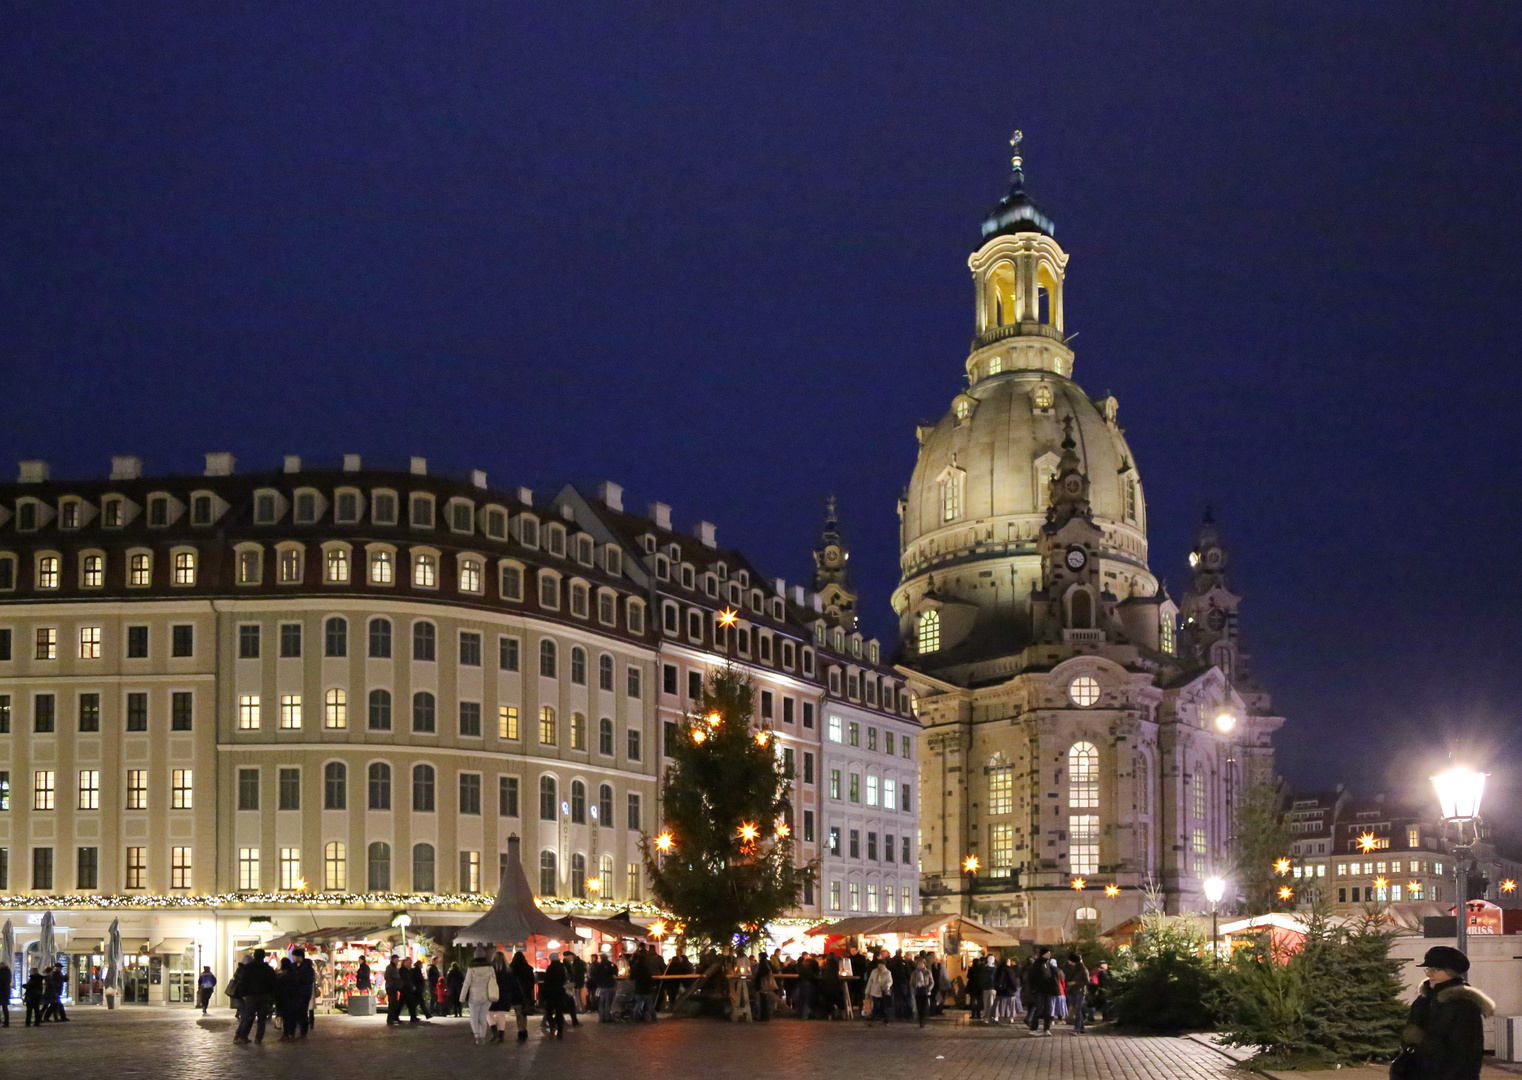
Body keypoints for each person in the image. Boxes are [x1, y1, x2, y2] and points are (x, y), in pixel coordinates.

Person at [1398, 945, 1492, 1080]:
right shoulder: (1423, 999)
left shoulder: (1463, 1004)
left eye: (1435, 970)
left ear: (1451, 972)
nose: (1429, 974)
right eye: (1428, 969)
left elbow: (1467, 1051)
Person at [234, 950, 277, 1044]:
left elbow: (243, 981)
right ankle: (259, 1038)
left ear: (254, 956)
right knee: (262, 1018)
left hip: (251, 995)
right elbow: (273, 983)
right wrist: (271, 996)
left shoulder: (248, 967)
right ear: (263, 957)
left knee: (249, 1017)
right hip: (264, 996)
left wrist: (243, 993)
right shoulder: (268, 968)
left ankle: (243, 1036)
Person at [460, 948, 497, 1044]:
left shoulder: (471, 968)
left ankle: (477, 1035)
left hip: (474, 996)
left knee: (473, 1017)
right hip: (487, 996)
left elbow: (466, 983)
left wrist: (462, 997)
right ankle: (483, 1037)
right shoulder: (490, 968)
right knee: (483, 1017)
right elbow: (494, 982)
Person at [486, 951, 522, 1043]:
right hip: (505, 995)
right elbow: (514, 984)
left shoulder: (490, 970)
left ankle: (494, 1031)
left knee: (488, 1013)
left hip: (492, 994)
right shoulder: (508, 970)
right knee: (501, 1015)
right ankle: (501, 1034)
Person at [1026, 948, 1058, 1035]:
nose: (1049, 955)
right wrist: (1033, 988)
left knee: (1048, 1009)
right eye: (1048, 953)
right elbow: (1031, 977)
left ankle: (1046, 1028)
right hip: (1039, 990)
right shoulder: (1037, 964)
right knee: (1038, 1009)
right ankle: (1034, 1028)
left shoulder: (1047, 964)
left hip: (1047, 990)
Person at [509, 951, 536, 1042]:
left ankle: (520, 1030)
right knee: (524, 1013)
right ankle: (524, 1029)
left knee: (518, 1013)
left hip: (515, 994)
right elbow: (532, 982)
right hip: (526, 993)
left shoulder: (511, 968)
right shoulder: (528, 968)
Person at [542, 955, 570, 1038]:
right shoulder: (562, 968)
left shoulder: (549, 968)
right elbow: (565, 979)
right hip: (560, 992)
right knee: (559, 1012)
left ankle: (552, 1025)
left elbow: (546, 982)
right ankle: (560, 1031)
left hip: (550, 993)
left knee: (549, 1011)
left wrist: (544, 995)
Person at [1062, 952, 1089, 1035]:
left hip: (1080, 991)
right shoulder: (1071, 967)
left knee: (1077, 1009)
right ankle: (1081, 1027)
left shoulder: (1082, 969)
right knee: (1077, 1009)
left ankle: (1077, 1029)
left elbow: (1087, 981)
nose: (1068, 961)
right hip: (1072, 991)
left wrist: (1075, 982)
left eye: (1070, 960)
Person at [294, 948, 317, 1036]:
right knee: (300, 1011)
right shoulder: (295, 966)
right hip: (298, 992)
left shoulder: (307, 968)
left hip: (304, 992)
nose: (293, 958)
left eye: (294, 956)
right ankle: (301, 1027)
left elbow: (307, 980)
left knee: (303, 1011)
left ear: (299, 957)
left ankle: (304, 1029)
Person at [865, 958, 893, 1025]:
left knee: (884, 1006)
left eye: (882, 965)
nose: (880, 966)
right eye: (879, 965)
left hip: (883, 991)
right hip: (875, 991)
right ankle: (874, 1018)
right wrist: (867, 992)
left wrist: (887, 986)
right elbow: (870, 981)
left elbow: (890, 981)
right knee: (876, 1005)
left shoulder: (888, 973)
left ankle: (885, 1019)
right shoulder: (874, 971)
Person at [967, 956, 993, 1022]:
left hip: (972, 985)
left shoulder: (971, 969)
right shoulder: (981, 968)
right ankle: (978, 1014)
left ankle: (973, 1014)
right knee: (979, 1000)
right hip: (979, 986)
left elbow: (968, 976)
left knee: (972, 999)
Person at [562, 950, 584, 1026]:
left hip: (567, 986)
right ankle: (574, 1021)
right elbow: (571, 975)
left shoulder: (566, 964)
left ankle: (573, 1020)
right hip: (568, 986)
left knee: (563, 1004)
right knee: (570, 1003)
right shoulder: (567, 965)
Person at [911, 956, 934, 1027]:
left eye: (922, 963)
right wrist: (913, 990)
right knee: (919, 1006)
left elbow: (932, 982)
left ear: (924, 964)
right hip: (918, 990)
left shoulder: (927, 972)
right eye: (919, 964)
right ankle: (920, 1020)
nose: (920, 965)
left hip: (925, 990)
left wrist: (929, 989)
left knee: (924, 1006)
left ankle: (923, 1019)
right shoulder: (914, 973)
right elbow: (911, 983)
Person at [383, 956, 404, 1025]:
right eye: (396, 959)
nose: (397, 961)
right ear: (392, 960)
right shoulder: (390, 967)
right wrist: (393, 983)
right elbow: (387, 977)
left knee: (394, 1003)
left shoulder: (394, 967)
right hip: (391, 987)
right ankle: (390, 1019)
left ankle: (393, 1018)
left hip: (393, 987)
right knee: (393, 1003)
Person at [0, 956, 12, 1027]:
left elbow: (2, 982)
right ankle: (6, 1021)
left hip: (2, 991)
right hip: (5, 991)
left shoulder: (3, 972)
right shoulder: (8, 972)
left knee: (4, 1007)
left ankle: (6, 1022)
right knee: (5, 1007)